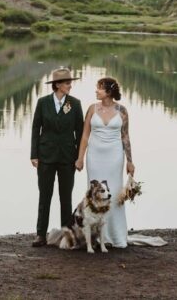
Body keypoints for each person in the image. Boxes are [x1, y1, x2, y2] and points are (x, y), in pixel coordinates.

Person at [75, 76, 134, 249]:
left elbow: (125, 136)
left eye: (99, 88)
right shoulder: (92, 109)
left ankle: (115, 235)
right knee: (94, 193)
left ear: (108, 92)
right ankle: (96, 237)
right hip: (94, 156)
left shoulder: (122, 111)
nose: (96, 91)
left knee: (114, 194)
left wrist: (130, 161)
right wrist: (80, 158)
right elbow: (85, 135)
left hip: (115, 157)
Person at [30, 67, 83, 247]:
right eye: (67, 83)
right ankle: (40, 235)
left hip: (68, 158)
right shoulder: (42, 103)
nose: (70, 86)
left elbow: (81, 132)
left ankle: (66, 235)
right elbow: (36, 129)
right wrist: (34, 154)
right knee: (44, 196)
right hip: (45, 157)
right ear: (58, 85)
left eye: (70, 83)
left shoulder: (75, 104)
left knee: (65, 197)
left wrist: (79, 157)